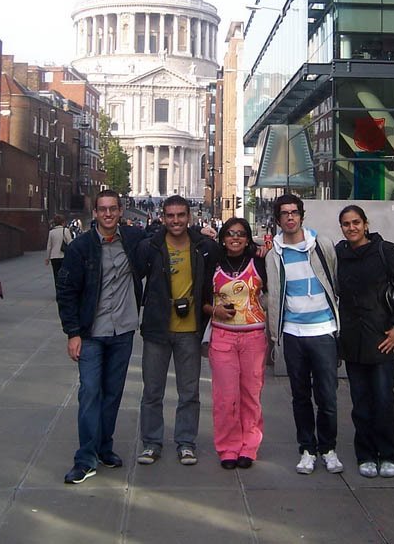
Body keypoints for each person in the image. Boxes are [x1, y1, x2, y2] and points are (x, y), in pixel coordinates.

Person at [56, 189, 147, 484]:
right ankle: (85, 458)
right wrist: (73, 333)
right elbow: (66, 292)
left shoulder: (133, 241)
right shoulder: (81, 247)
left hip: (123, 330)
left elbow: (170, 239)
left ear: (121, 211)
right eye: (102, 209)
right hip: (92, 332)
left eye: (113, 209)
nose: (108, 214)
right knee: (90, 392)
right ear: (95, 213)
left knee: (113, 394)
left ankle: (104, 447)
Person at [136, 195, 219, 467]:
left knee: (189, 391)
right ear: (162, 217)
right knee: (152, 391)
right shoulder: (150, 246)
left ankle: (186, 442)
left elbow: (234, 252)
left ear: (189, 216)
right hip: (157, 328)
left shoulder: (203, 246)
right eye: (170, 216)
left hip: (190, 329)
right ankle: (151, 442)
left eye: (181, 215)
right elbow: (134, 275)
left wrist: (261, 249)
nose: (175, 221)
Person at [265, 193, 344, 475]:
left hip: (323, 330)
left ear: (301, 215)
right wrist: (275, 337)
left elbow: (334, 280)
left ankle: (328, 448)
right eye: (284, 213)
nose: (290, 217)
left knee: (328, 397)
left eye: (294, 212)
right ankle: (307, 449)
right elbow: (273, 295)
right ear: (278, 219)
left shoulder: (322, 245)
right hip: (293, 332)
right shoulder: (273, 255)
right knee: (300, 396)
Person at [335, 205, 394, 478]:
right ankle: (366, 454)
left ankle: (388, 454)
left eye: (356, 222)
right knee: (360, 402)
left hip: (383, 339)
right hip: (353, 340)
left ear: (366, 224)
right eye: (346, 224)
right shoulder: (339, 254)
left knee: (383, 399)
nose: (352, 228)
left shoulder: (386, 251)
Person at [205, 217, 268, 470]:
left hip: (254, 336)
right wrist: (214, 310)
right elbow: (200, 298)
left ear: (247, 237)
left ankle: (249, 446)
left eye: (241, 234)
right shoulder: (212, 262)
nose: (235, 238)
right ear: (222, 237)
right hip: (223, 336)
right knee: (225, 396)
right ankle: (228, 447)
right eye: (230, 233)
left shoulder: (260, 262)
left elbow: (274, 292)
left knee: (251, 394)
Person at [45, 214, 72, 285]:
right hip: (63, 256)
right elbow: (70, 244)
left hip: (54, 257)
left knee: (56, 274)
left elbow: (49, 246)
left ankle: (57, 290)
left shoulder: (51, 232)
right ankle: (62, 289)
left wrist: (47, 258)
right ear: (63, 222)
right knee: (64, 275)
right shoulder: (65, 230)